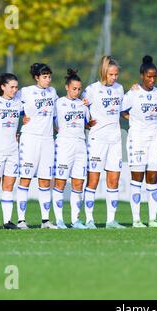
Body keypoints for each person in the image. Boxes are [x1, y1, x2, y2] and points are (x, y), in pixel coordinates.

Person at [121, 55, 157, 228]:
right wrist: (133, 120)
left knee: (153, 178)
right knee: (137, 179)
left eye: (155, 76)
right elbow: (122, 111)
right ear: (142, 76)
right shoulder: (133, 93)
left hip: (155, 138)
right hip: (137, 139)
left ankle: (153, 219)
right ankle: (136, 220)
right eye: (149, 76)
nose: (152, 79)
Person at [82, 56, 125, 229]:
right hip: (97, 140)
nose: (114, 78)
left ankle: (110, 220)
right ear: (104, 72)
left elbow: (124, 109)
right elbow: (80, 108)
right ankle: (89, 219)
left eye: (116, 75)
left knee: (113, 180)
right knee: (93, 180)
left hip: (115, 139)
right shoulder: (91, 89)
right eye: (111, 74)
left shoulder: (120, 89)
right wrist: (85, 123)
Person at [15, 63, 59, 229]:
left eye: (49, 76)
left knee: (45, 181)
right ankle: (21, 220)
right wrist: (21, 117)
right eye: (44, 77)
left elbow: (55, 116)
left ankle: (46, 220)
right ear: (36, 77)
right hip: (30, 138)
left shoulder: (52, 92)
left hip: (47, 140)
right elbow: (10, 102)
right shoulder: (25, 92)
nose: (48, 80)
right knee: (25, 178)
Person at [52, 69, 91, 229]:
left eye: (79, 89)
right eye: (74, 88)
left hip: (80, 145)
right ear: (67, 87)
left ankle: (75, 220)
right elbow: (52, 122)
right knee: (60, 183)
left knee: (78, 183)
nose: (77, 92)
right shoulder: (58, 103)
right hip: (64, 146)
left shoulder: (83, 105)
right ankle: (59, 220)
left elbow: (89, 123)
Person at [0, 73, 23, 230]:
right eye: (12, 87)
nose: (15, 90)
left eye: (16, 87)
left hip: (13, 151)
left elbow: (29, 115)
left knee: (9, 186)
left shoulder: (19, 104)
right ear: (2, 87)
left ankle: (8, 221)